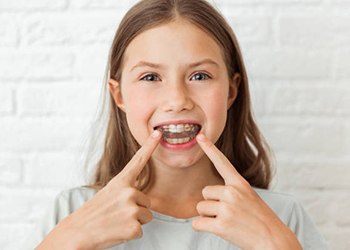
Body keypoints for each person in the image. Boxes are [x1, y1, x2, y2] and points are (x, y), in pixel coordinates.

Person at [28, 0, 328, 249]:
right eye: (150, 77)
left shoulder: (281, 216)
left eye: (200, 76)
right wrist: (69, 240)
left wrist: (278, 245)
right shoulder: (72, 211)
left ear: (231, 91)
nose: (177, 100)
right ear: (119, 95)